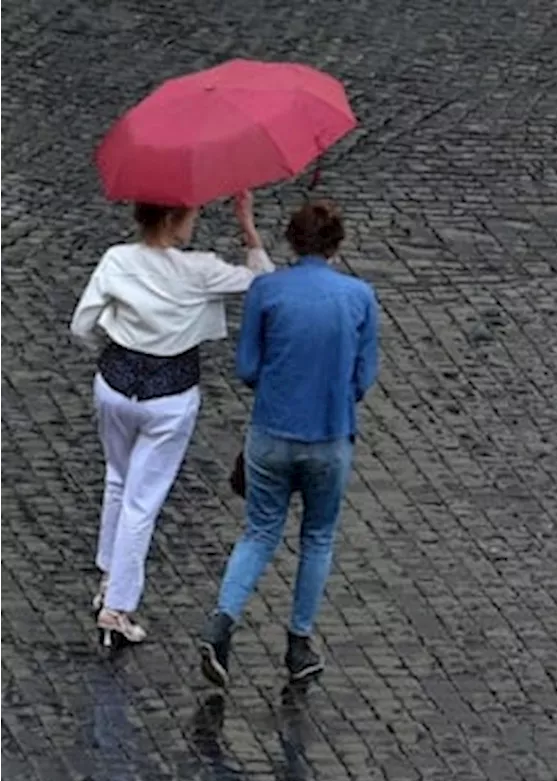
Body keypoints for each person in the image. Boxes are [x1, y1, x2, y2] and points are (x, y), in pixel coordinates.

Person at [70, 192, 272, 646]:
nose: (196, 219)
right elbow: (265, 283)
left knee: (118, 480)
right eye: (193, 212)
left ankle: (108, 574)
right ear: (173, 216)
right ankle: (118, 606)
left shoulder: (117, 259)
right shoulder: (199, 270)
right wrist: (248, 228)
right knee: (143, 500)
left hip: (115, 385)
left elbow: (81, 326)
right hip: (170, 397)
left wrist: (107, 352)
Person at [199, 200, 379, 686]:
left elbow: (247, 369)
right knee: (317, 537)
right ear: (337, 245)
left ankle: (221, 623)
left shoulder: (266, 291)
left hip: (271, 434)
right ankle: (299, 644)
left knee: (259, 533)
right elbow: (363, 379)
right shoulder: (360, 297)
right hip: (329, 436)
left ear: (291, 241)